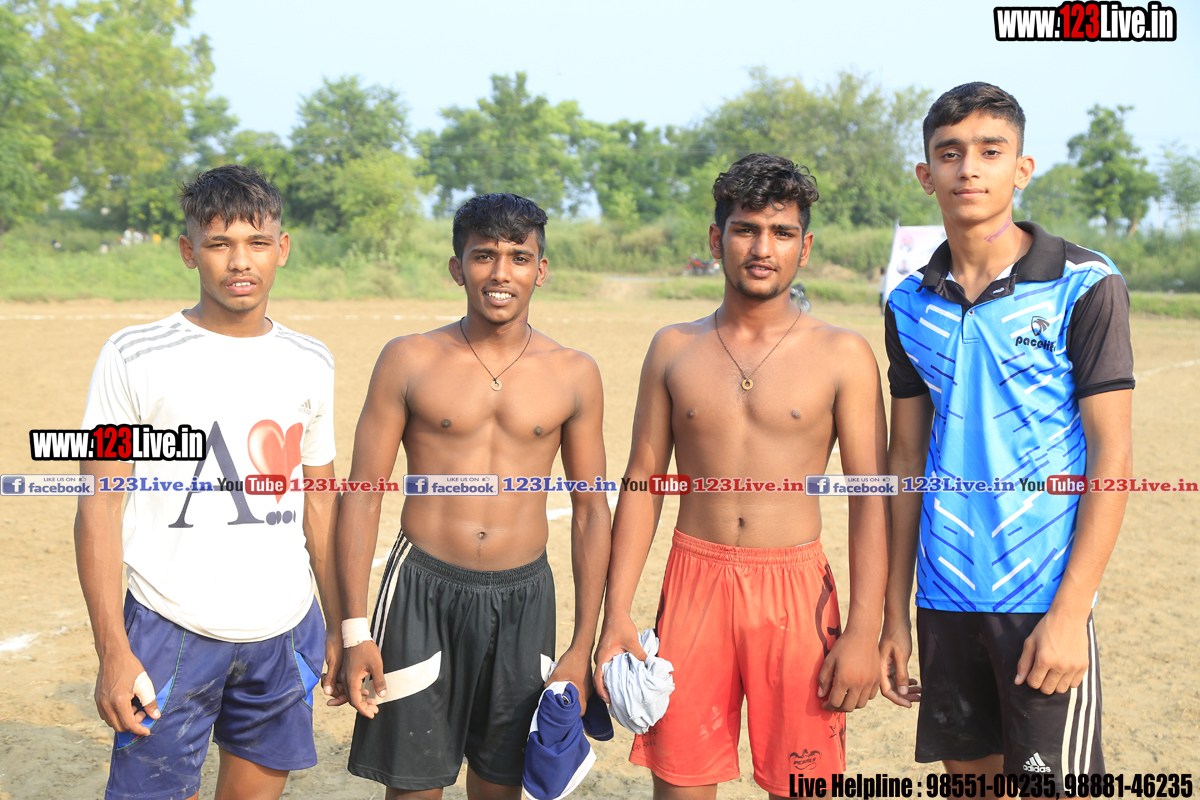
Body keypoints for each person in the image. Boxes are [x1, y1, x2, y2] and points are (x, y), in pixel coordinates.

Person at [594, 153, 889, 799]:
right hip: (694, 582)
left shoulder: (843, 354)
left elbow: (872, 500)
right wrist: (616, 614)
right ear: (715, 239)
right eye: (746, 229)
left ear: (804, 247)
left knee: (803, 785)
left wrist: (865, 629)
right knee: (680, 784)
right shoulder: (673, 347)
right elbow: (643, 482)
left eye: (782, 232)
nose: (762, 248)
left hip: (796, 589)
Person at [879, 82, 1134, 784]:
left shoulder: (1084, 284)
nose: (970, 169)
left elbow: (1112, 455)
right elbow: (905, 461)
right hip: (944, 595)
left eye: (990, 151)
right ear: (926, 173)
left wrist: (1071, 611)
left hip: (1042, 596)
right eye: (950, 153)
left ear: (1022, 169)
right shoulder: (907, 304)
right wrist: (895, 613)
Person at [75, 164, 343, 800]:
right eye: (219, 243)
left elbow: (321, 503)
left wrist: (340, 625)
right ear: (188, 250)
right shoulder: (132, 356)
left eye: (256, 242)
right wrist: (113, 650)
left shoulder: (311, 360)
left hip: (284, 628)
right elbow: (99, 508)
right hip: (169, 625)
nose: (239, 261)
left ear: (282, 248)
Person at [337, 192, 611, 799]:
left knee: (500, 785)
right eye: (484, 255)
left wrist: (581, 644)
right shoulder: (409, 358)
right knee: (414, 786)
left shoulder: (574, 372)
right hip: (422, 592)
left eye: (519, 257)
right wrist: (356, 632)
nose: (501, 273)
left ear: (541, 270)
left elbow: (592, 511)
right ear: (457, 267)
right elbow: (360, 494)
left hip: (524, 598)